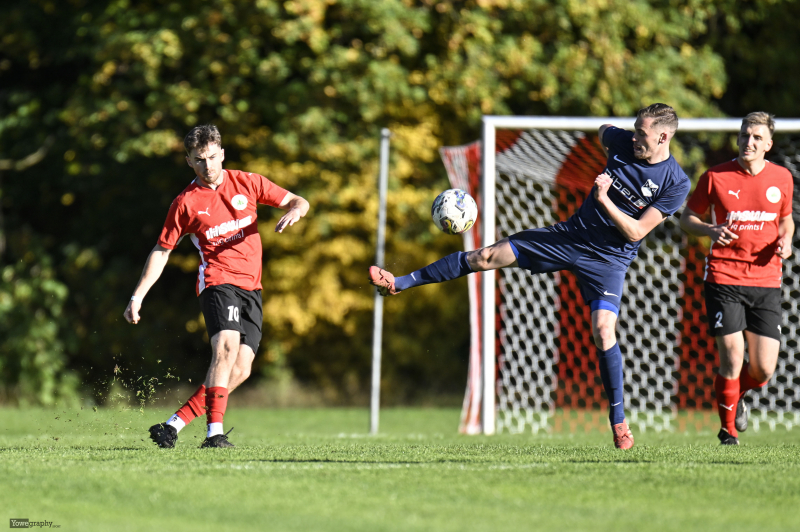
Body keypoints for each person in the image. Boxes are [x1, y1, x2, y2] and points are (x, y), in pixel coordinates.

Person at [369, 103, 691, 449]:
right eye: (634, 129)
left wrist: (603, 198)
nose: (635, 137)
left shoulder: (675, 182)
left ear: (663, 136)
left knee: (603, 330)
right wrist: (615, 138)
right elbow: (605, 130)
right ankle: (398, 284)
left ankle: (619, 422)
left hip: (609, 260)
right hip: (568, 238)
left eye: (642, 133)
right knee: (486, 256)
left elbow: (636, 233)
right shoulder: (622, 141)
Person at [124, 125, 309, 448]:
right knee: (224, 348)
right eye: (199, 160)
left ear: (222, 153)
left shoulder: (247, 183)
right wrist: (137, 296)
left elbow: (298, 200)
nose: (207, 166)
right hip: (218, 282)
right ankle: (214, 434)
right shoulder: (186, 202)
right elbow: (162, 250)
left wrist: (295, 210)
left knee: (241, 368)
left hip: (252, 287)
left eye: (212, 157)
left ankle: (174, 424)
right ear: (189, 161)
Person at [679, 112, 794, 445]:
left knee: (762, 370)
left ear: (768, 145)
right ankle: (728, 431)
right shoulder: (716, 177)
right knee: (731, 354)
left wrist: (786, 238)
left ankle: (736, 393)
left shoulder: (782, 178)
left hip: (766, 280)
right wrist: (710, 230)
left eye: (757, 137)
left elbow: (785, 221)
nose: (749, 142)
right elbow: (688, 218)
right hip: (723, 275)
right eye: (745, 135)